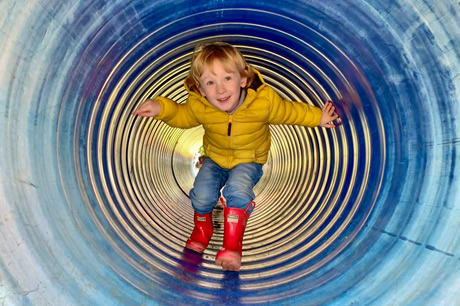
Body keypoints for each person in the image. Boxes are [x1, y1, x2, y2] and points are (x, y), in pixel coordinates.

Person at [133, 42, 338, 271]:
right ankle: (203, 231)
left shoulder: (263, 102)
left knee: (238, 190)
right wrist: (161, 109)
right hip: (215, 157)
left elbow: (289, 112)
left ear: (242, 79)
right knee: (201, 195)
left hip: (249, 159)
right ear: (201, 89)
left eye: (227, 79)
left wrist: (318, 117)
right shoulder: (200, 106)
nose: (220, 90)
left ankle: (232, 246)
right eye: (210, 82)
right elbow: (181, 115)